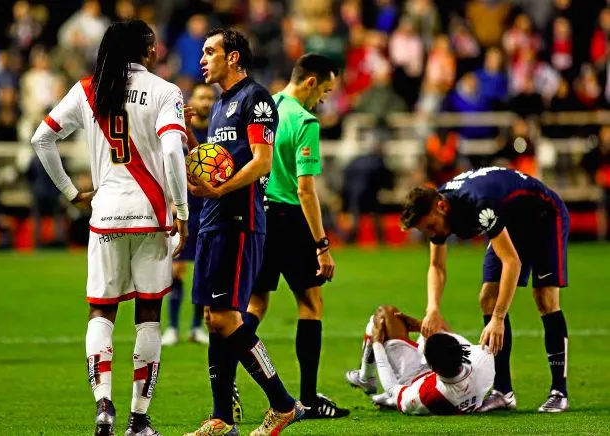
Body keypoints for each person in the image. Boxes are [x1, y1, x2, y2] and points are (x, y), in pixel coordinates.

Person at [30, 20, 189, 436]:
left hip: (105, 215)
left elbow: (40, 140)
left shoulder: (87, 89)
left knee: (101, 311)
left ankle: (103, 404)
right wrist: (182, 211)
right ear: (149, 50)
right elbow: (173, 150)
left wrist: (70, 192)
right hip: (151, 217)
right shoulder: (165, 91)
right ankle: (139, 419)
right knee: (149, 315)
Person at [184, 28, 303, 436]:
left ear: (233, 57)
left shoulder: (255, 99)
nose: (202, 58)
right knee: (214, 318)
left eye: (210, 51)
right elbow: (215, 161)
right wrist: (186, 139)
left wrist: (218, 189)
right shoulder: (220, 106)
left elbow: (261, 162)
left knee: (226, 317)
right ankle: (222, 417)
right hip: (213, 220)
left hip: (239, 222)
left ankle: (283, 403)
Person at [400, 166, 571, 413]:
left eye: (429, 227)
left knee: (545, 298)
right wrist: (433, 308)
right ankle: (503, 391)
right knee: (487, 298)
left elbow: (512, 262)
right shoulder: (438, 207)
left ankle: (559, 391)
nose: (431, 234)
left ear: (441, 207)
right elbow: (436, 266)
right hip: (509, 222)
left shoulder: (478, 204)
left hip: (543, 217)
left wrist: (499, 318)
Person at [245, 53, 349, 419]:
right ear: (310, 82)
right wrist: (322, 245)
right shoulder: (305, 121)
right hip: (288, 217)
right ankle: (307, 398)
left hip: (258, 212)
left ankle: (228, 369)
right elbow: (305, 189)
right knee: (311, 303)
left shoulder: (267, 105)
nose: (325, 98)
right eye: (325, 89)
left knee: (255, 305)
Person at [346, 305, 494, 414]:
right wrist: (420, 326)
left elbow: (391, 388)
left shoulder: (426, 396)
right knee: (397, 318)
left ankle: (365, 378)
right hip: (439, 379)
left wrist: (377, 343)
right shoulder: (482, 358)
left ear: (431, 367)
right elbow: (449, 342)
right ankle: (382, 394)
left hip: (411, 380)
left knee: (380, 318)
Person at [162, 83, 215, 346]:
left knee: (204, 270)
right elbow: (165, 167)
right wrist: (169, 200)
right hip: (185, 208)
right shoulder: (178, 132)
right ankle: (172, 327)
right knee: (177, 269)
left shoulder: (218, 131)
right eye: (201, 97)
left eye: (209, 98)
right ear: (191, 101)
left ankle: (196, 327)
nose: (205, 102)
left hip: (210, 208)